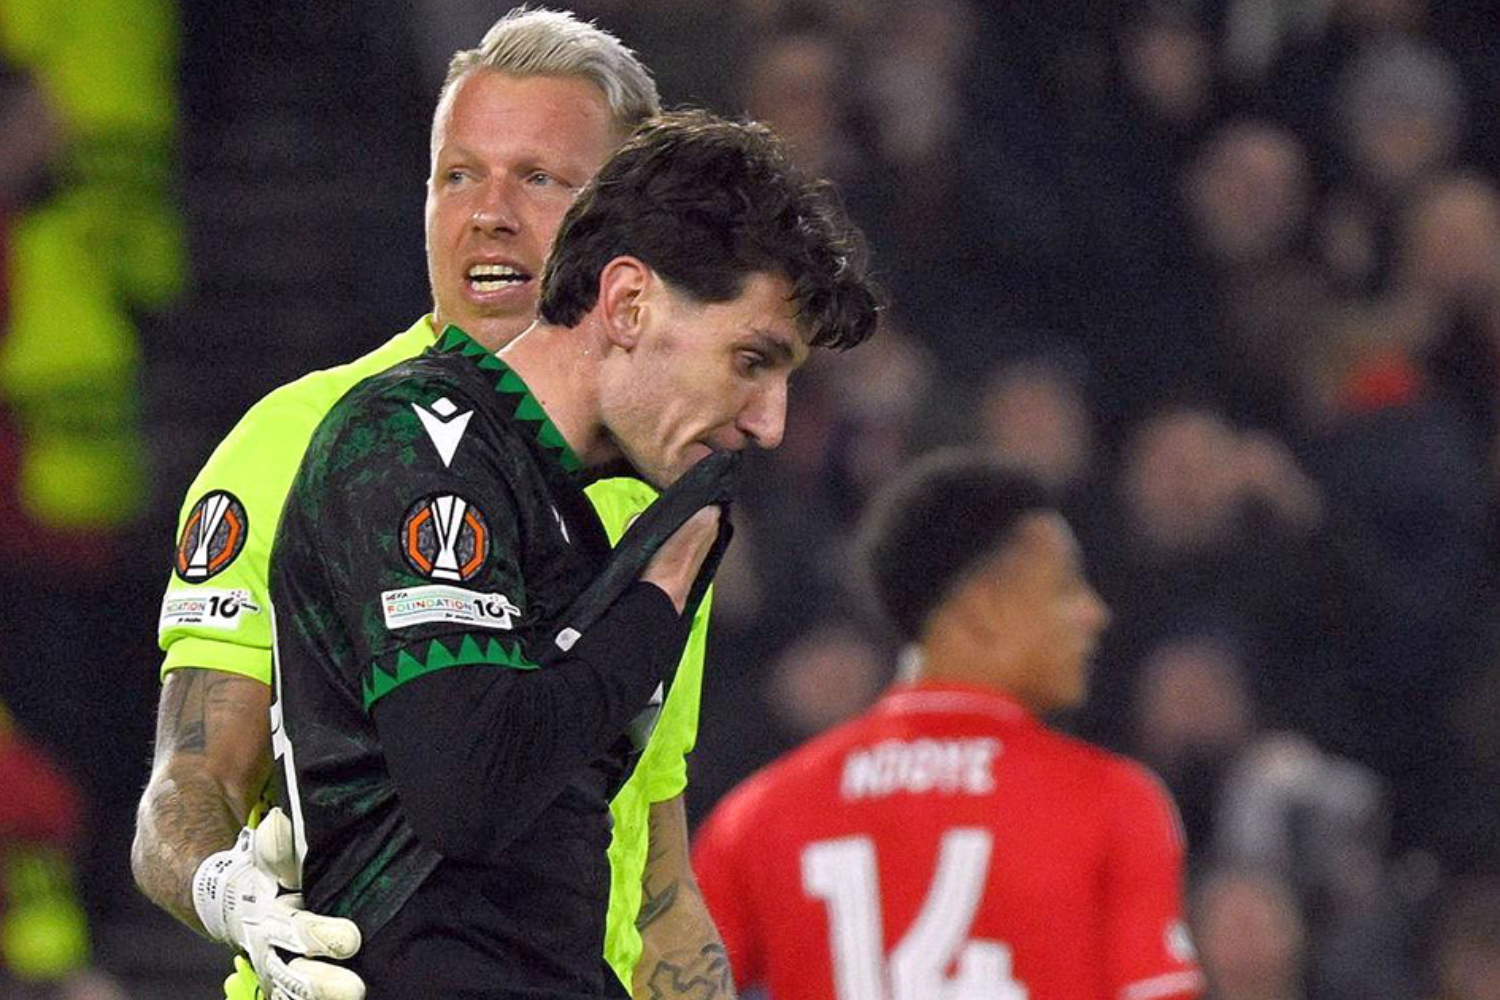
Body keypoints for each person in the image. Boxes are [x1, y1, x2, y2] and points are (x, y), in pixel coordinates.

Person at [129, 10, 736, 999]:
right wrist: (222, 890)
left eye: (539, 179)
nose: (488, 212)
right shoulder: (296, 441)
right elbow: (190, 779)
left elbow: (655, 870)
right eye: (458, 175)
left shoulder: (654, 488)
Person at [268, 109, 878, 998]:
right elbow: (469, 792)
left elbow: (535, 881)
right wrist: (657, 597)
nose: (769, 423)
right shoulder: (417, 442)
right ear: (627, 302)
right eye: (752, 361)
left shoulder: (572, 518)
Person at [691, 451, 1204, 1000]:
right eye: (1066, 587)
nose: (1093, 613)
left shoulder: (756, 817)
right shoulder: (1113, 803)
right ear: (985, 607)